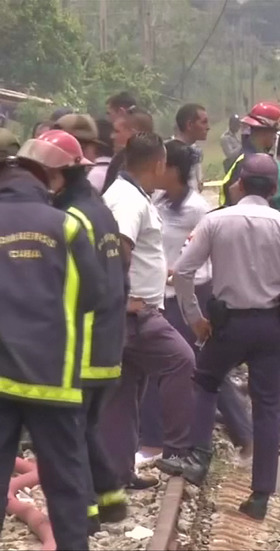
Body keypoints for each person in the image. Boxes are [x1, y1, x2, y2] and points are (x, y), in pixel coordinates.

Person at [157, 153, 280, 521]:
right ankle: (261, 494)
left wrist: (195, 318)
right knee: (267, 406)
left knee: (204, 381)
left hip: (228, 325)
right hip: (272, 328)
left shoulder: (215, 221)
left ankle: (198, 459)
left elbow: (183, 272)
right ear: (275, 188)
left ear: (241, 185)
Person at [0, 137, 106, 551]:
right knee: (65, 479)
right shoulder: (66, 225)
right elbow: (94, 296)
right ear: (46, 179)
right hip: (54, 375)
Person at [23, 130, 131, 534]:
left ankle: (83, 516)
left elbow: (68, 285)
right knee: (85, 428)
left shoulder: (70, 219)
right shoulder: (98, 209)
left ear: (58, 175)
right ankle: (109, 498)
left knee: (69, 437)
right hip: (106, 342)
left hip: (82, 344)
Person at [137, 140, 254, 466]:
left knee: (168, 363)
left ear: (173, 169)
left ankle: (155, 442)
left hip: (189, 295)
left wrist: (181, 276)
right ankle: (244, 436)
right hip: (162, 294)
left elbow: (209, 256)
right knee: (202, 367)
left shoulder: (197, 209)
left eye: (161, 164)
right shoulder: (158, 201)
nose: (156, 170)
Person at [99, 132, 196, 490]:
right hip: (135, 313)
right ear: (158, 163)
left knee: (125, 396)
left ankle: (118, 472)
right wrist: (121, 297)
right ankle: (178, 449)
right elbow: (119, 248)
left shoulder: (130, 194)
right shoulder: (128, 200)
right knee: (181, 360)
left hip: (132, 310)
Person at [219, 102, 280, 206]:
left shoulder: (248, 155)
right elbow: (235, 192)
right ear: (264, 132)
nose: (275, 137)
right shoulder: (250, 162)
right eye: (274, 132)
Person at [103, 107, 155, 195]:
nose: (112, 136)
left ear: (134, 134)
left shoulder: (122, 160)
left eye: (117, 131)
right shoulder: (118, 158)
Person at [171, 103, 210, 192]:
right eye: (204, 122)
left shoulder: (195, 151)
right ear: (189, 125)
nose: (208, 127)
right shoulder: (170, 154)